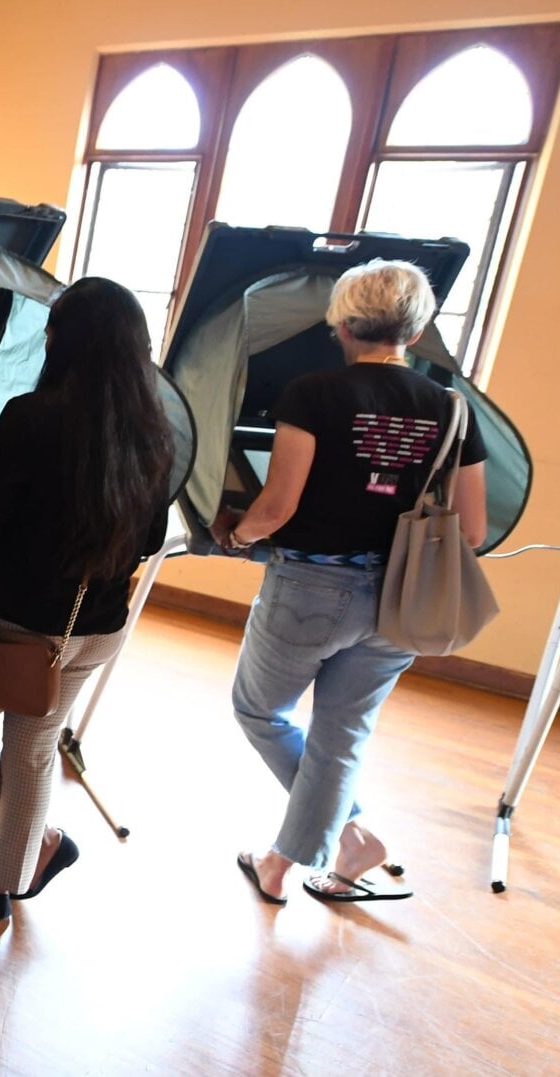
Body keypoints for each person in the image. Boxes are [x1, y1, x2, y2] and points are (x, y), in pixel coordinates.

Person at [213, 259, 488, 904]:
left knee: (259, 709)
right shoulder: (452, 408)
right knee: (343, 732)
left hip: (313, 588)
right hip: (403, 596)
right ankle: (309, 855)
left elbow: (278, 508)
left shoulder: (314, 393)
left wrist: (236, 535)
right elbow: (471, 530)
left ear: (340, 323)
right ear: (416, 332)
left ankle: (330, 841)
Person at [0, 277, 174, 921]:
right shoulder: (156, 431)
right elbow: (149, 537)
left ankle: (31, 843)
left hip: (22, 628)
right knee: (33, 749)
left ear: (65, 341)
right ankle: (9, 870)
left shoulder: (31, 418)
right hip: (98, 629)